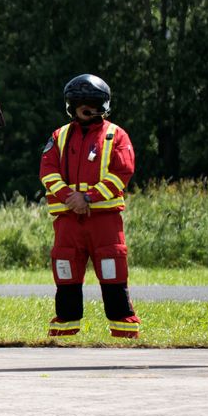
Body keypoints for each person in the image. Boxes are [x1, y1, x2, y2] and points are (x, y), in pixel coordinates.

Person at [38, 74, 139, 341]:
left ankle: (124, 331)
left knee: (112, 270)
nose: (86, 108)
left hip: (104, 219)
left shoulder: (116, 135)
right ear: (71, 105)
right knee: (66, 269)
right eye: (80, 103)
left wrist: (89, 197)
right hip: (68, 219)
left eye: (91, 103)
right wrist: (70, 197)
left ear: (103, 105)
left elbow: (122, 172)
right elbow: (47, 171)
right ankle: (64, 332)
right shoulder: (58, 136)